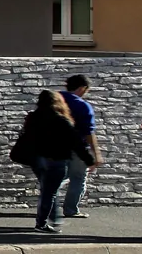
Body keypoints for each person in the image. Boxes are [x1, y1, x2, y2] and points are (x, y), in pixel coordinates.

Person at [13, 90, 96, 234]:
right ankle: (42, 223)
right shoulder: (61, 120)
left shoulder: (33, 118)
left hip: (37, 159)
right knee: (49, 192)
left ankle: (51, 219)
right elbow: (76, 143)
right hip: (56, 160)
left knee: (47, 190)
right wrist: (89, 160)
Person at [59, 75, 101, 219]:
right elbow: (89, 132)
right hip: (77, 148)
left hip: (54, 146)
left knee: (56, 177)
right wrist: (96, 154)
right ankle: (71, 209)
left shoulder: (54, 101)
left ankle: (46, 206)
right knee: (78, 177)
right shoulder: (82, 106)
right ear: (83, 88)